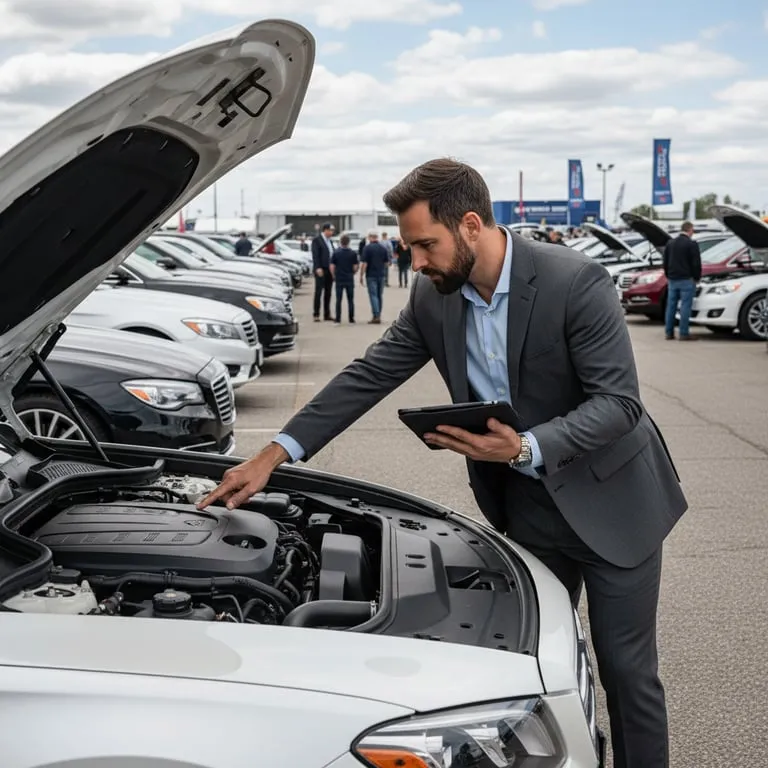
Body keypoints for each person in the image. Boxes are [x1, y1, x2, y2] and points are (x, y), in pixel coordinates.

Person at [197, 158, 688, 768]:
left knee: (625, 672)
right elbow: (366, 376)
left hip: (614, 505)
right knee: (528, 671)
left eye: (426, 245)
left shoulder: (574, 280)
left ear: (473, 226)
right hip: (529, 508)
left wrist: (524, 447)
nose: (417, 263)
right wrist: (274, 455)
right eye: (410, 247)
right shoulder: (434, 299)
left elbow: (619, 405)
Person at [663, 221, 701, 341]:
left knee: (671, 307)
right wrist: (696, 277)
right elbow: (696, 263)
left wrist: (668, 275)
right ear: (689, 230)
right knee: (685, 306)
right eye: (692, 230)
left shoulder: (670, 243)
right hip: (686, 279)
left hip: (672, 279)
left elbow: (665, 261)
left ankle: (669, 333)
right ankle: (683, 333)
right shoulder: (691, 244)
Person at [359, 230, 389, 324]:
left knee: (373, 295)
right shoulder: (383, 248)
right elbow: (387, 263)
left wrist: (361, 275)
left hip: (371, 275)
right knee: (379, 295)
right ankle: (378, 314)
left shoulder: (367, 248)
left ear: (370, 237)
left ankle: (376, 316)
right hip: (381, 275)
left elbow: (365, 263)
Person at [330, 234, 359, 323]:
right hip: (349, 278)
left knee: (338, 300)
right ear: (348, 242)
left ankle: (338, 318)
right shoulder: (353, 253)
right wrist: (353, 273)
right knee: (350, 299)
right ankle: (351, 318)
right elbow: (355, 266)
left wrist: (333, 275)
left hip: (339, 278)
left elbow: (332, 266)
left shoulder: (336, 253)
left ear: (340, 242)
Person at [311, 222, 335, 322]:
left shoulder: (330, 241)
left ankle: (327, 314)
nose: (332, 232)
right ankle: (316, 314)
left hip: (330, 270)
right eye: (330, 230)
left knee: (328, 292)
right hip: (321, 269)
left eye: (333, 231)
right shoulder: (317, 240)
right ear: (325, 230)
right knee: (318, 292)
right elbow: (315, 255)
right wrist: (317, 267)